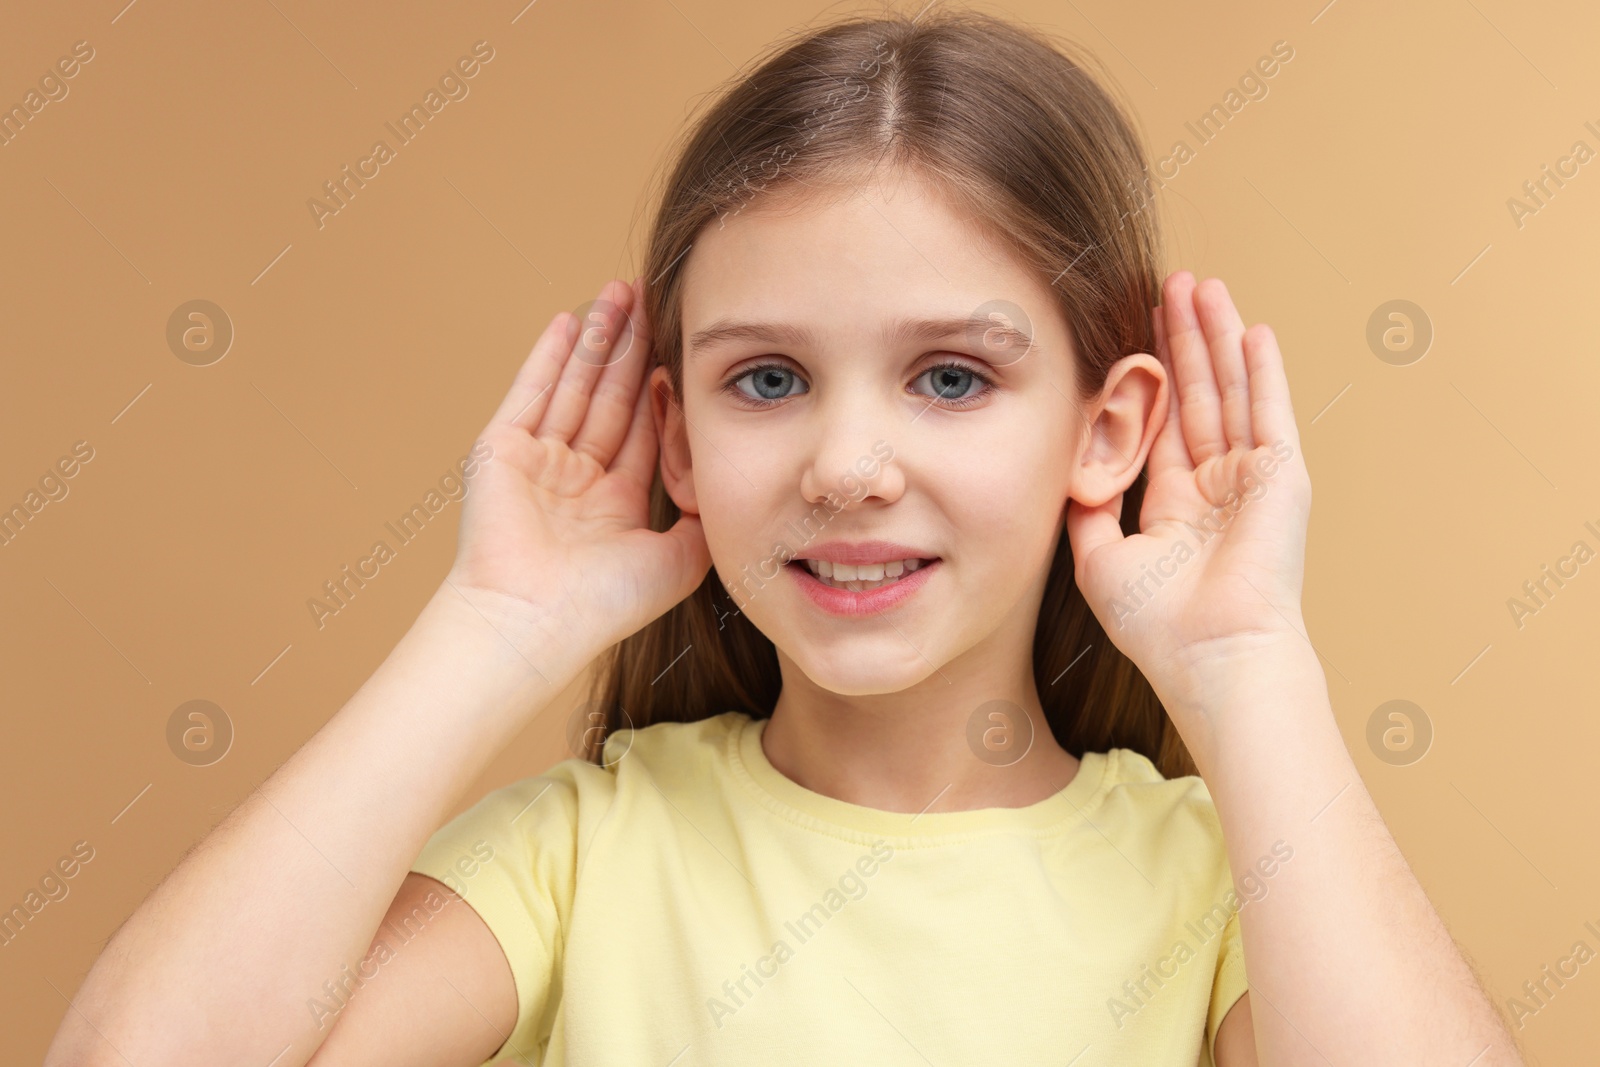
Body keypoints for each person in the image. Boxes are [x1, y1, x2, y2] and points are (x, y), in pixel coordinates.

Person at [47, 9, 1522, 1067]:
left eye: (952, 377)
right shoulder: (582, 857)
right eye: (767, 380)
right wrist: (492, 623)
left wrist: (1250, 668)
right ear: (680, 439)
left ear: (1107, 430)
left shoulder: (1223, 888)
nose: (848, 465)